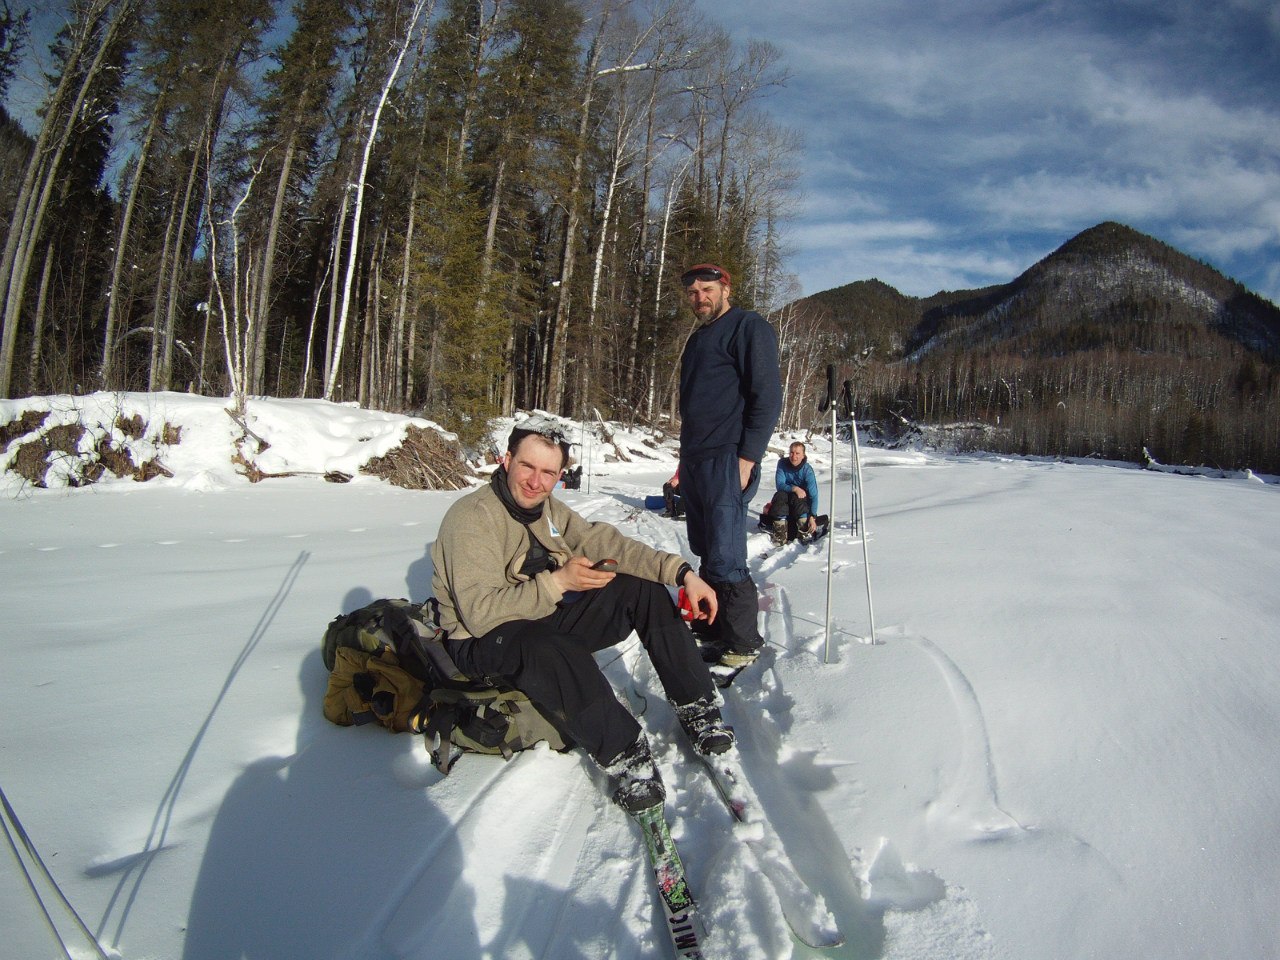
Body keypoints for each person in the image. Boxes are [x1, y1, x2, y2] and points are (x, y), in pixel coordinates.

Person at [430, 418, 733, 815]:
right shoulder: (472, 518)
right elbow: (481, 613)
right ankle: (625, 753)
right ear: (507, 461)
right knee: (549, 645)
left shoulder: (546, 508)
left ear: (559, 475)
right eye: (527, 466)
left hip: (534, 617)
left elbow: (603, 541)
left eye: (548, 473)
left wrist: (682, 573)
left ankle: (698, 707)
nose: (536, 482)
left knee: (640, 589)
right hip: (478, 641)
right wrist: (558, 583)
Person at [677, 262, 783, 671]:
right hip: (696, 458)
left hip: (727, 456)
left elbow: (767, 397)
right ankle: (715, 627)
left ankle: (742, 642)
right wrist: (683, 459)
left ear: (726, 288)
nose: (699, 297)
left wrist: (747, 457)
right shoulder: (699, 338)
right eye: (692, 292)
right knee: (705, 547)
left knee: (725, 552)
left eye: (706, 289)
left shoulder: (747, 327)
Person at [767, 442, 819, 544]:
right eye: (791, 452)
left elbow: (814, 495)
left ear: (803, 456)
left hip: (801, 503)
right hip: (785, 499)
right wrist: (794, 488)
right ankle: (780, 535)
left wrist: (812, 517)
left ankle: (804, 531)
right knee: (780, 496)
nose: (794, 456)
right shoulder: (782, 463)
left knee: (798, 497)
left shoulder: (807, 470)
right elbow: (780, 485)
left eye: (797, 453)